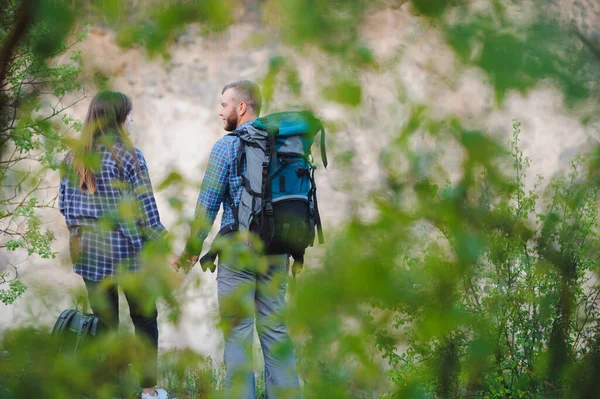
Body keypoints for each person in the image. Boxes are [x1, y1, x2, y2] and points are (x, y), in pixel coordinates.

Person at [178, 80, 301, 398]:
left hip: (237, 251)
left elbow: (208, 202)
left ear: (241, 107)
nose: (219, 112)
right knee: (275, 332)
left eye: (223, 105)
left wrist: (193, 251)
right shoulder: (282, 144)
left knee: (237, 335)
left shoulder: (227, 146)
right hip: (276, 251)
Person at [59, 91, 170, 399]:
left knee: (105, 324)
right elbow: (147, 214)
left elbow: (64, 208)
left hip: (89, 256)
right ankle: (148, 391)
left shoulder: (71, 158)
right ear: (119, 118)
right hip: (129, 257)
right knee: (145, 320)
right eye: (128, 115)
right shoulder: (129, 155)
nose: (131, 120)